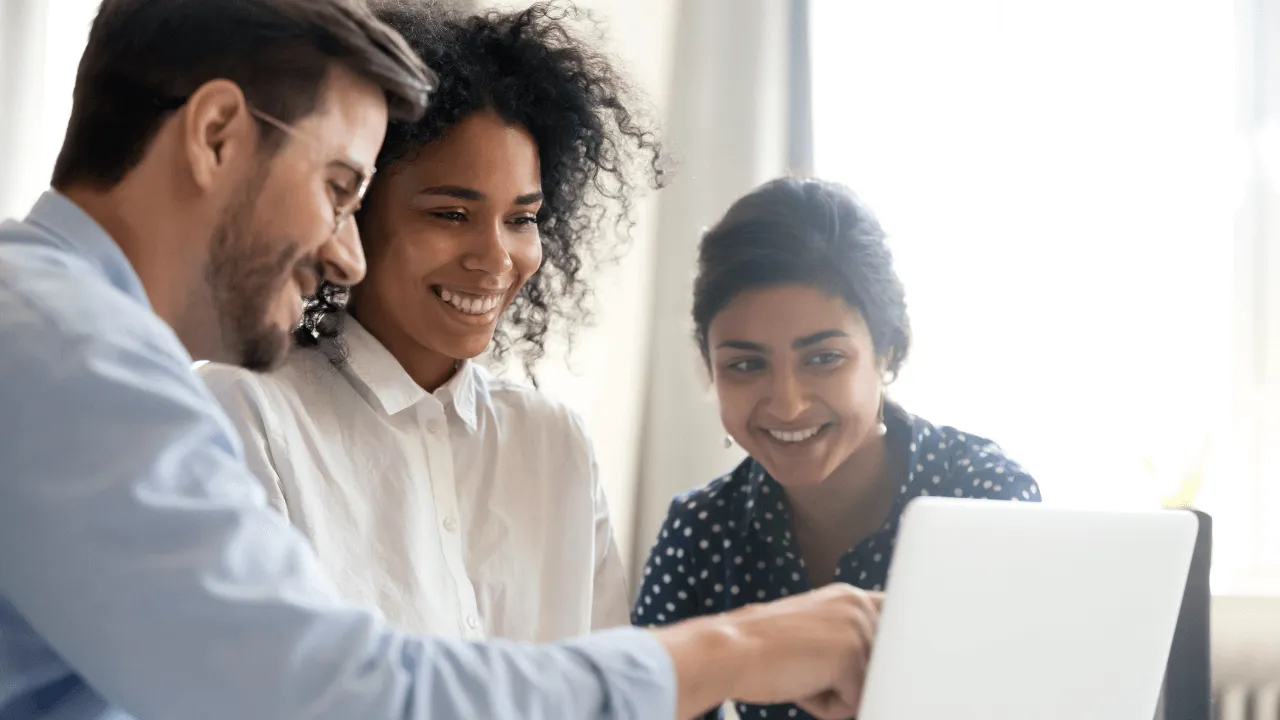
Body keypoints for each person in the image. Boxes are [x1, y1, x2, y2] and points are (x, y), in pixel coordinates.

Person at [0, 2, 880, 719]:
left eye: (521, 217)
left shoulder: (53, 327)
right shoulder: (73, 353)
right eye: (341, 188)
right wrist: (733, 651)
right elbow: (330, 695)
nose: (344, 256)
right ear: (218, 132)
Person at [197, 0, 659, 643]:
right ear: (351, 214)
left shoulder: (554, 445)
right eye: (450, 214)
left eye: (521, 219)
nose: (496, 258)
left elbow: (606, 691)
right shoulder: (246, 411)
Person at [633, 177, 1042, 719]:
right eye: (745, 364)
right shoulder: (701, 530)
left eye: (824, 358)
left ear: (888, 350)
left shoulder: (984, 498)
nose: (787, 403)